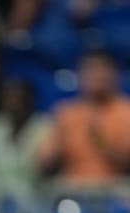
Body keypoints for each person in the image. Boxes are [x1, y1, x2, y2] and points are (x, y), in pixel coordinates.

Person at [36, 49, 130, 185]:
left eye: (102, 68)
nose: (97, 75)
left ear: (115, 74)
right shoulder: (65, 113)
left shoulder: (126, 111)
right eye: (90, 69)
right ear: (79, 75)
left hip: (117, 190)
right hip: (72, 191)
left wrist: (103, 146)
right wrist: (55, 149)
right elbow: (44, 162)